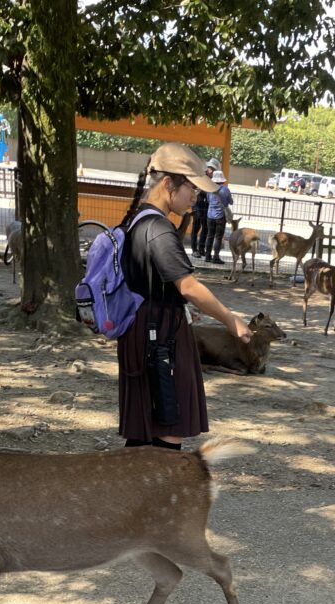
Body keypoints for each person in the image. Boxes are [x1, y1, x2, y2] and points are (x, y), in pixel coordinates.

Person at [117, 144, 251, 449]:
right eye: (191, 188)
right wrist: (231, 320)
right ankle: (159, 496)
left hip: (146, 330)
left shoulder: (140, 219)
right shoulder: (159, 229)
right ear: (168, 184)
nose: (196, 196)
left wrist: (178, 307)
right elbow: (188, 286)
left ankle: (135, 495)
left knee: (145, 426)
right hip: (159, 338)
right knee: (168, 425)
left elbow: (153, 283)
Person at [190, 156, 219, 258]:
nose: (212, 171)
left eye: (214, 169)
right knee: (196, 227)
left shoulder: (213, 179)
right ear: (208, 168)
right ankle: (194, 249)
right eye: (211, 168)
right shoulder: (201, 176)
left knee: (205, 228)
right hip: (197, 204)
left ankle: (201, 248)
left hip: (207, 205)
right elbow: (194, 188)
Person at [204, 170, 232, 264]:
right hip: (220, 216)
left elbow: (208, 200)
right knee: (218, 237)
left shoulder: (209, 189)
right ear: (222, 180)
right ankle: (216, 257)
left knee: (210, 236)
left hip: (210, 215)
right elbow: (230, 202)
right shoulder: (225, 189)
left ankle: (207, 256)